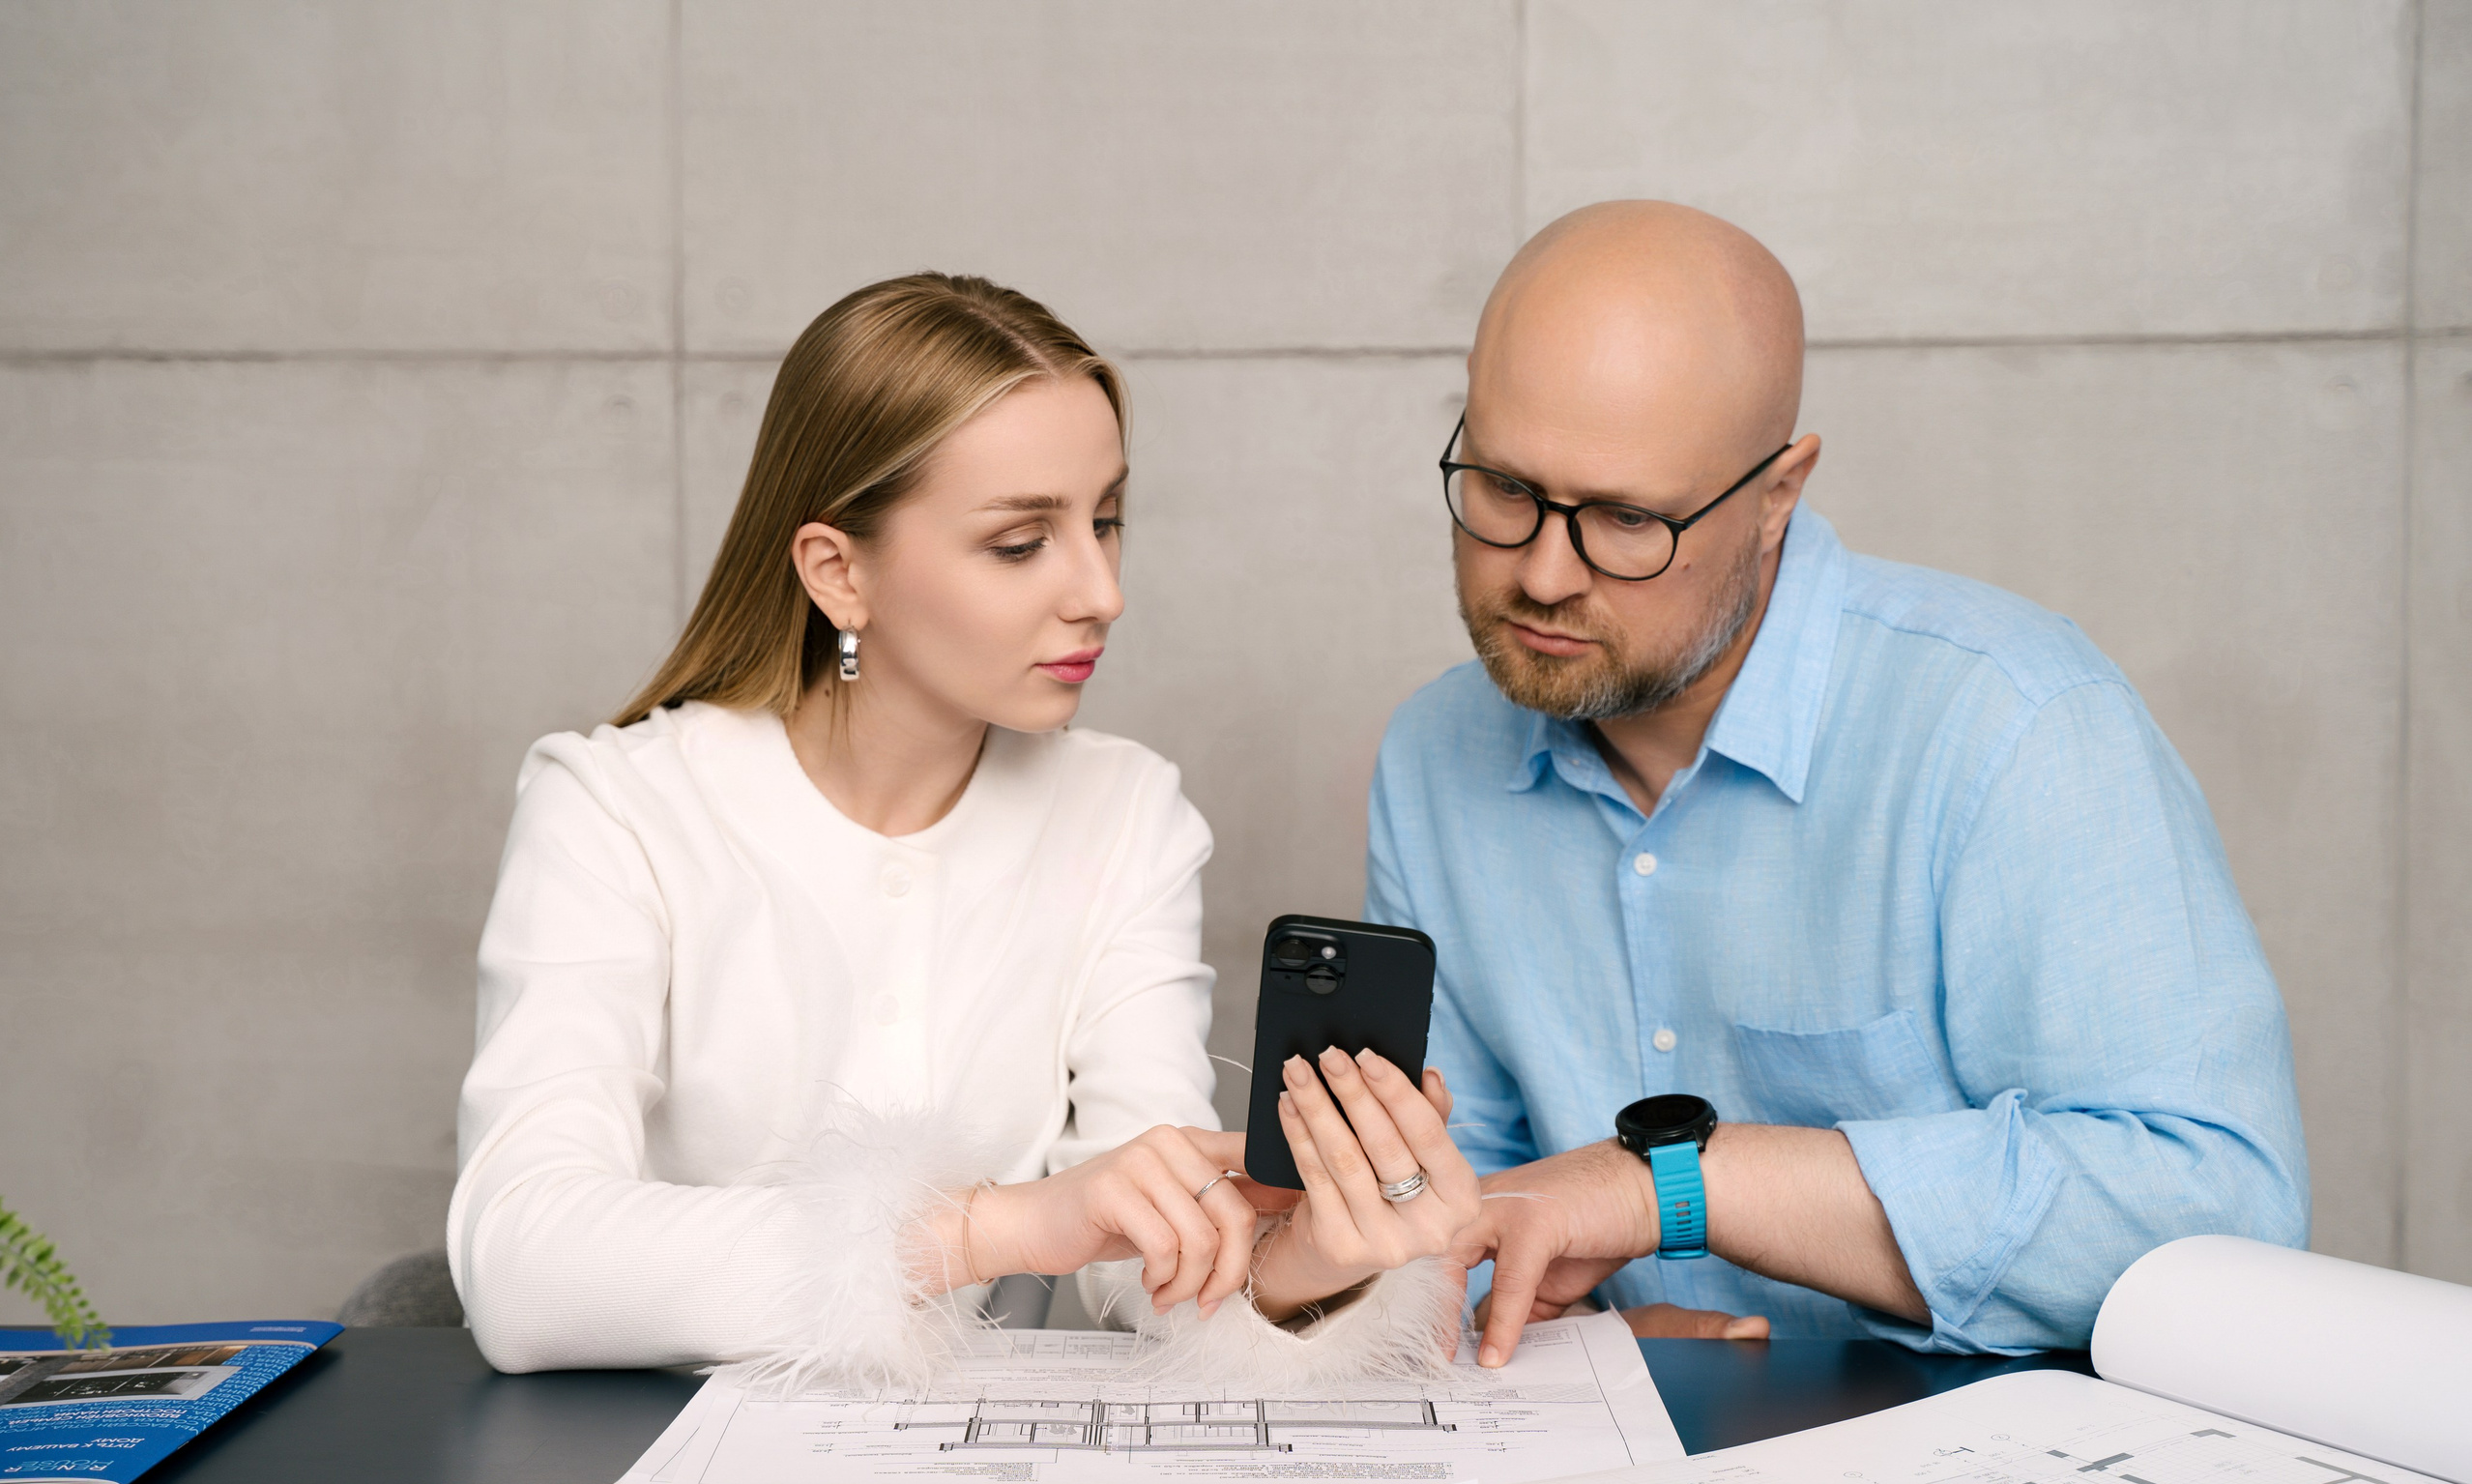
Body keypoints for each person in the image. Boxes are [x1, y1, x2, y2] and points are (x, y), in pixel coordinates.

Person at [451, 274, 1474, 1382]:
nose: (1100, 591)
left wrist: (1297, 1258)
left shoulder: (1126, 815)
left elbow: (1138, 1261)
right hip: (639, 1471)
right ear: (839, 571)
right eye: (1020, 542)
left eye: (1107, 520)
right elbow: (520, 1263)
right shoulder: (616, 807)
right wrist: (995, 1229)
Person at [1364, 202, 2307, 1366]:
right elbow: (1447, 1220)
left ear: (1777, 495)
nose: (1543, 572)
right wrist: (1563, 1346)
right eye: (1503, 488)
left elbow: (2215, 1216)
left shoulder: (2010, 720)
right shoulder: (1433, 756)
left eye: (1625, 519)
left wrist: (1669, 1190)